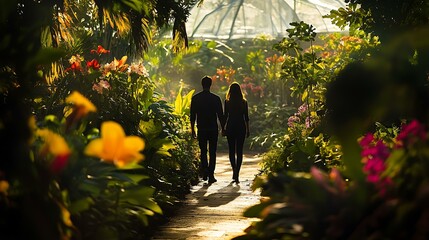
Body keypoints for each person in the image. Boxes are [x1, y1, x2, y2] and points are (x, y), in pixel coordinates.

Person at [190, 76, 225, 184]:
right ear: (210, 85)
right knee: (213, 152)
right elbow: (220, 115)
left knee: (203, 151)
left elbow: (192, 115)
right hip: (213, 128)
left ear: (202, 84)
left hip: (202, 128)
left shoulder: (196, 98)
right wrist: (223, 128)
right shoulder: (215, 98)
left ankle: (205, 171)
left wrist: (192, 129)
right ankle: (211, 174)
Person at [223, 82, 249, 183]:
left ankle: (234, 170)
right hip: (241, 127)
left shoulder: (227, 102)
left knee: (231, 150)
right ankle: (237, 172)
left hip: (231, 127)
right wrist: (248, 130)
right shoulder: (244, 102)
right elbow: (246, 117)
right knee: (239, 151)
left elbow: (225, 116)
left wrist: (223, 128)